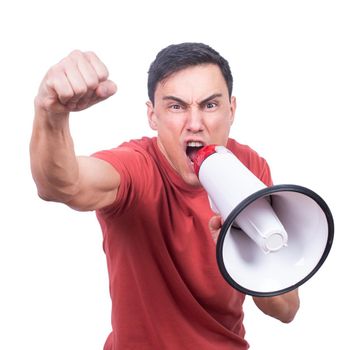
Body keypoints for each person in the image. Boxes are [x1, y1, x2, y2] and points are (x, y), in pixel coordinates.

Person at [30, 43, 300, 350]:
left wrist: (243, 252)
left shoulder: (250, 167)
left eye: (210, 105)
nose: (195, 124)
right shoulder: (136, 166)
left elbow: (286, 310)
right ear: (152, 116)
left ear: (232, 110)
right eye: (176, 107)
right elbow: (62, 184)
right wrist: (51, 113)